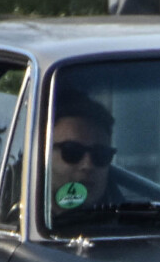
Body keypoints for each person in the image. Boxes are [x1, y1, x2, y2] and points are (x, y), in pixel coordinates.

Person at [47, 90, 119, 225]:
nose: (88, 165)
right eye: (72, 152)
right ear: (43, 155)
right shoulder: (16, 217)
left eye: (101, 155)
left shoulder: (130, 225)